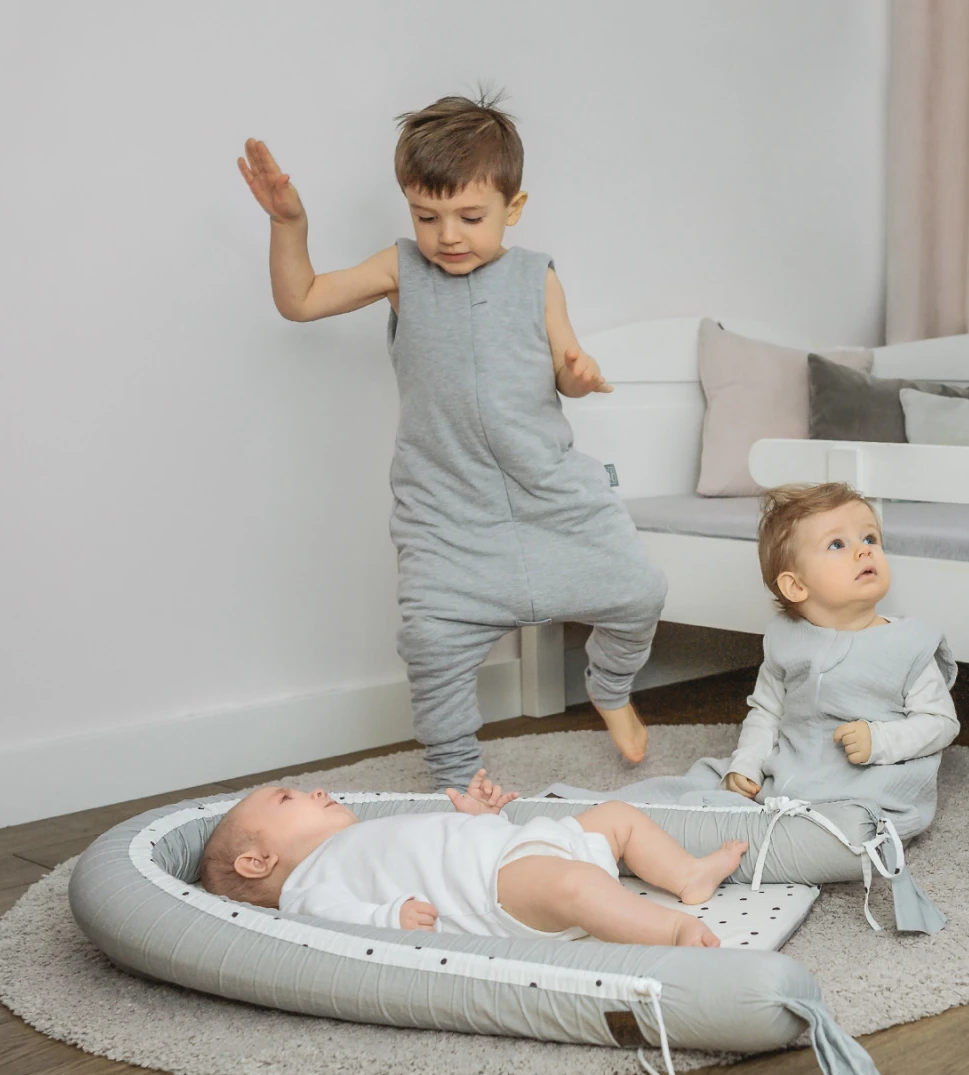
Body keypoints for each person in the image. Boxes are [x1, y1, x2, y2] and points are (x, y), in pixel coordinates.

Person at [237, 91, 666, 790]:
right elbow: (301, 300)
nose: (447, 236)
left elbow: (564, 365)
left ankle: (610, 688)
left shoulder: (536, 278)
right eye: (426, 216)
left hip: (550, 495)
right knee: (431, 644)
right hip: (446, 509)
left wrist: (580, 374)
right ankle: (459, 779)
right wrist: (290, 225)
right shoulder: (401, 270)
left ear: (512, 208)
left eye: (470, 217)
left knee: (641, 593)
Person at [541, 482, 958, 841]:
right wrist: (747, 766)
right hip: (792, 770)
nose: (864, 551)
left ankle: (784, 835)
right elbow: (767, 713)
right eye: (838, 544)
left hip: (866, 783)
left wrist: (879, 740)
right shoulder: (786, 641)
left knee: (853, 829)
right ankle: (579, 817)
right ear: (795, 586)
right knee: (702, 788)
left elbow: (941, 723)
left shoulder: (909, 644)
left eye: (870, 539)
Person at [199, 771, 747, 947]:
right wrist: (387, 919)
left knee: (616, 815)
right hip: (496, 893)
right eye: (288, 799)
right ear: (257, 862)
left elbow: (436, 849)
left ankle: (688, 874)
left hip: (517, 846)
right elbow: (331, 920)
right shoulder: (307, 885)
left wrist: (479, 819)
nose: (315, 791)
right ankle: (672, 931)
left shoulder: (361, 835)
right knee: (576, 886)